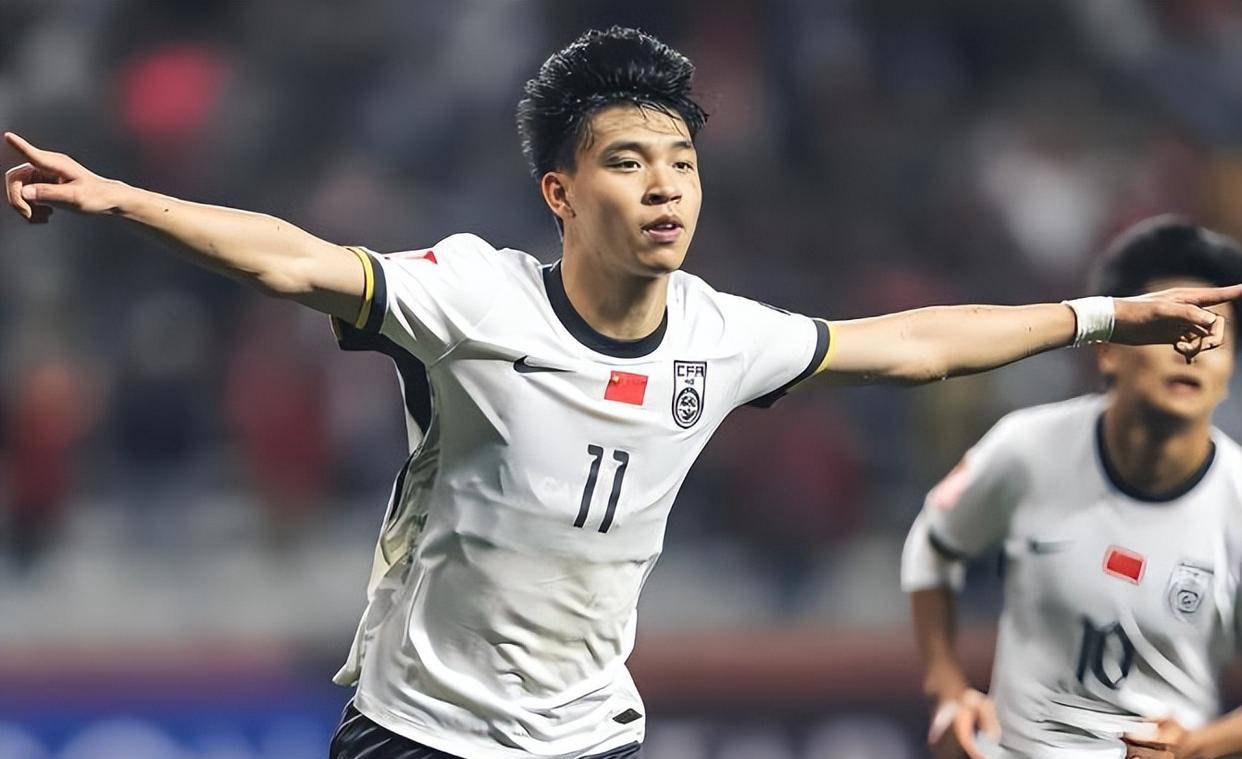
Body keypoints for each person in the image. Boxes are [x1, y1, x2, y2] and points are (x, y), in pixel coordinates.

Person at [5, 26, 1241, 759]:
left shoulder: (721, 333)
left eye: (682, 162)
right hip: (419, 736)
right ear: (560, 193)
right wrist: (120, 197)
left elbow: (916, 343)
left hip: (591, 739)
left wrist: (1105, 316)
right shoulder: (473, 298)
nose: (665, 188)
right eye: (629, 161)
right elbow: (292, 259)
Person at [901, 217, 1242, 759]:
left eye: (1214, 336)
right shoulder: (1026, 448)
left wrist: (1198, 747)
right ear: (1108, 350)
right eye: (1170, 331)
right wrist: (945, 687)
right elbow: (933, 544)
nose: (1191, 350)